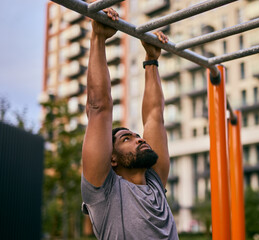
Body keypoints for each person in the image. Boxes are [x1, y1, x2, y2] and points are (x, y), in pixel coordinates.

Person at [81, 7, 178, 239]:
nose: (140, 138)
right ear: (111, 158)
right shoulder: (104, 191)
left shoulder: (154, 182)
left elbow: (155, 115)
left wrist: (151, 61)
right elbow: (98, 108)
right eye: (127, 138)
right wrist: (98, 38)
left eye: (136, 135)